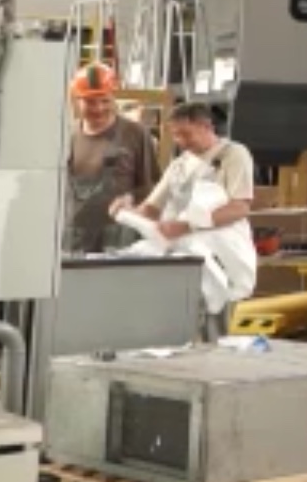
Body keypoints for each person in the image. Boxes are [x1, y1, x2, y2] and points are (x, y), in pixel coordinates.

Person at [110, 102, 257, 341]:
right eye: (175, 135)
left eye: (186, 134)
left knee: (216, 324)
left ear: (206, 126)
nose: (180, 141)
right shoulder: (179, 165)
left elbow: (240, 207)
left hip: (220, 255)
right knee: (182, 326)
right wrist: (126, 211)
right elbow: (151, 209)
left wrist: (188, 225)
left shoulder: (232, 155)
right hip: (184, 257)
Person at [64, 64, 158, 255]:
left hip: (118, 241)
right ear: (77, 100)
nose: (98, 108)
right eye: (90, 102)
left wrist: (131, 198)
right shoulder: (67, 136)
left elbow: (153, 187)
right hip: (75, 240)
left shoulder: (135, 134)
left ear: (113, 97)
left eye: (105, 100)